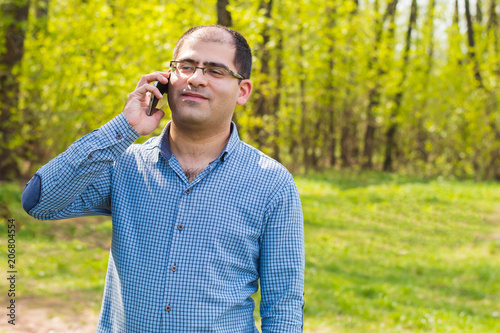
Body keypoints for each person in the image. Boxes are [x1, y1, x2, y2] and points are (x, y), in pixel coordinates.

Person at [22, 25, 304, 332]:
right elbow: (38, 201)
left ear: (243, 91)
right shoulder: (124, 165)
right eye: (186, 66)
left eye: (215, 71)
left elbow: (284, 306)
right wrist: (125, 126)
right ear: (166, 79)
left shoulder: (272, 183)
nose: (196, 78)